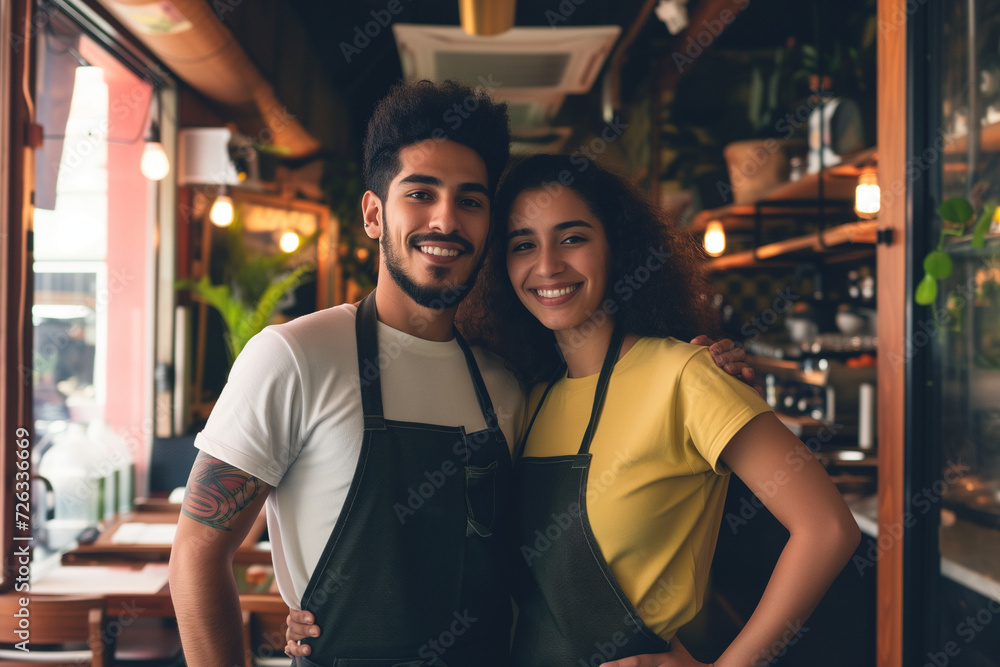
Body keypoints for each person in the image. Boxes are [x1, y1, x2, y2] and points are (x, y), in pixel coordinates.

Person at [169, 82, 751, 667]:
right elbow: (197, 554)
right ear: (374, 214)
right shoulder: (295, 357)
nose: (445, 219)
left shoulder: (507, 383)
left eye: (470, 200)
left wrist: (700, 374)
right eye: (421, 193)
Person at [287, 153, 861, 666]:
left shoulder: (686, 376)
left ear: (617, 245)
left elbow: (828, 528)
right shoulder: (526, 398)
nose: (548, 266)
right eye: (522, 245)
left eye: (572, 237)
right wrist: (329, 614)